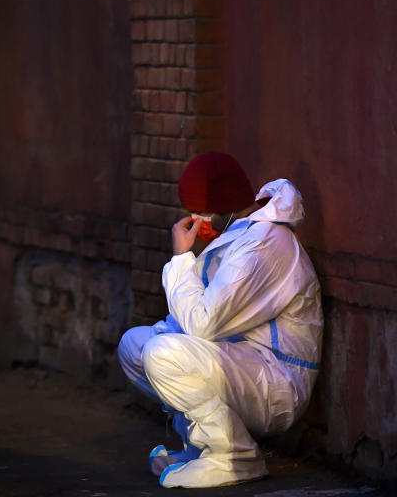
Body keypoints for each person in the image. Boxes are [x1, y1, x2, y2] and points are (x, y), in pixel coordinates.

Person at [117, 152, 323, 488]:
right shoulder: (241, 232)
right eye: (193, 214)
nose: (198, 222)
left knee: (162, 355)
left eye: (202, 213)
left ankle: (233, 456)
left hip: (276, 379)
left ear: (227, 206)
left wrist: (182, 257)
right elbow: (197, 322)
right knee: (134, 347)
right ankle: (201, 446)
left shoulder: (263, 246)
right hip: (239, 362)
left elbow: (202, 325)